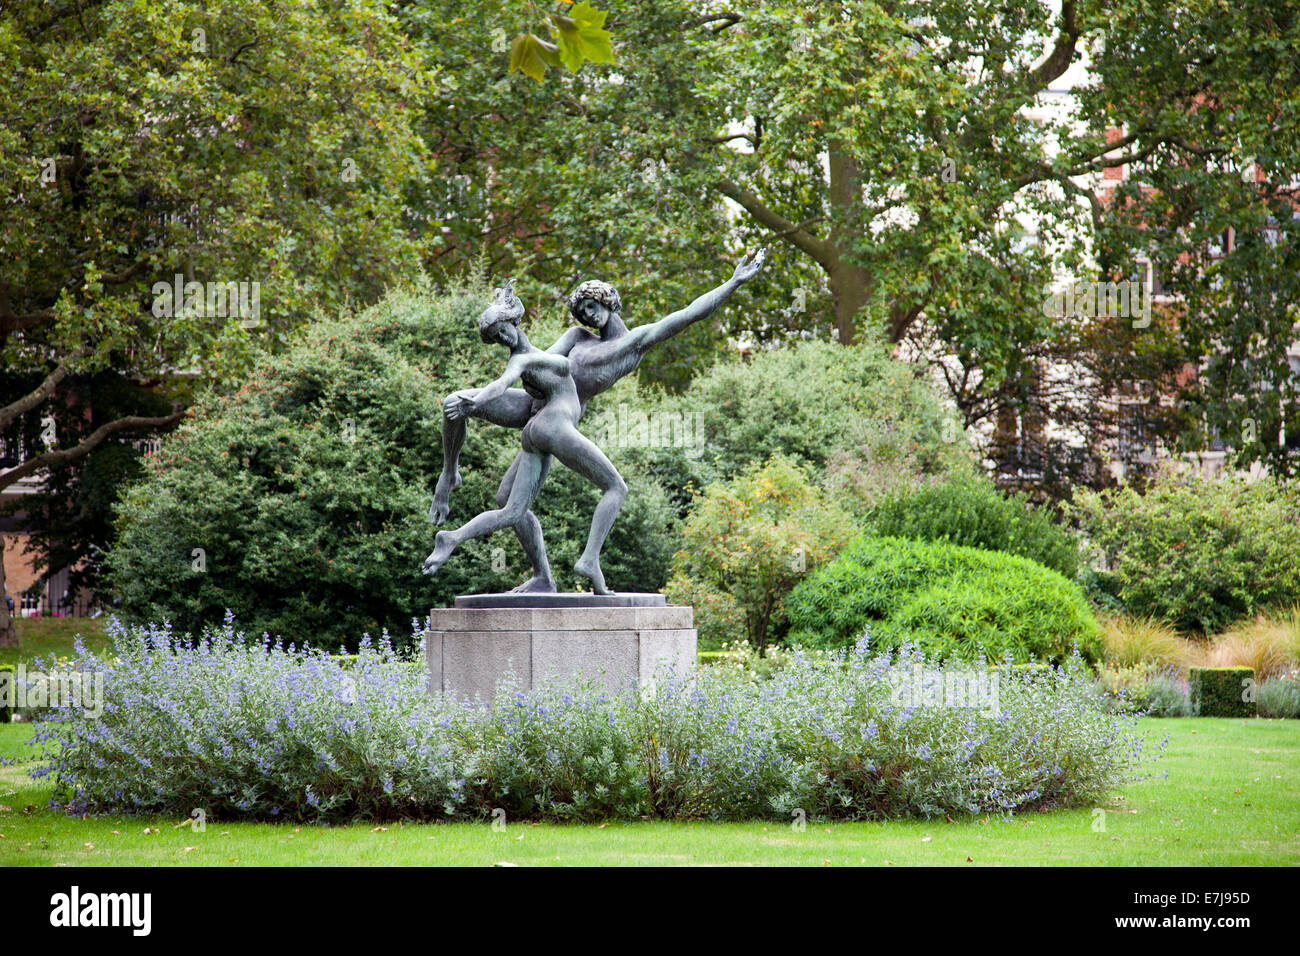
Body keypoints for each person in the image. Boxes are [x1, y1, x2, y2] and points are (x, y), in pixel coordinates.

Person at [430, 249, 767, 592]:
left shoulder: (633, 343)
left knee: (512, 502)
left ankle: (553, 572)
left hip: (556, 414)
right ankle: (450, 474)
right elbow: (536, 361)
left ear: (608, 300)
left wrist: (733, 283)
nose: (588, 315)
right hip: (537, 404)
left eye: (591, 306)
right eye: (582, 311)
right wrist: (508, 361)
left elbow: (688, 314)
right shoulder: (577, 337)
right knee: (455, 403)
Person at [422, 281, 628, 594]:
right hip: (553, 426)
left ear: (515, 322)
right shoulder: (525, 359)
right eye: (496, 338)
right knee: (616, 487)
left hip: (534, 432)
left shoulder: (544, 352)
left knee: (511, 509)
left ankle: (457, 540)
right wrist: (475, 403)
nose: (503, 339)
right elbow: (501, 383)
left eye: (503, 330)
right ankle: (589, 560)